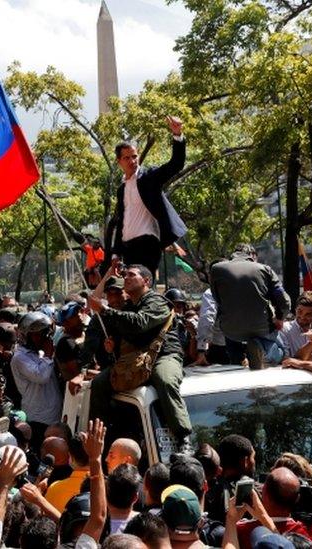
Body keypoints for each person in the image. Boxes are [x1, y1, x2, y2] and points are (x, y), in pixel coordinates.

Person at [87, 264, 192, 440]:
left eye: (131, 275)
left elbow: (140, 323)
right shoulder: (128, 306)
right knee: (99, 383)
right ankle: (98, 438)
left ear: (146, 281)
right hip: (136, 360)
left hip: (163, 356)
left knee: (164, 379)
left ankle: (183, 438)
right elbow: (94, 302)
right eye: (125, 275)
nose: (126, 277)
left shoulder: (157, 302)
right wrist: (112, 345)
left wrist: (105, 309)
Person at [106, 116, 188, 276]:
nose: (132, 161)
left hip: (148, 244)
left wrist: (177, 135)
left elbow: (175, 165)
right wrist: (116, 253)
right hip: (128, 247)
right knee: (132, 292)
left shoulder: (149, 177)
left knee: (141, 286)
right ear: (119, 161)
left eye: (134, 156)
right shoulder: (122, 189)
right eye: (126, 158)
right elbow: (122, 221)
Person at [210, 244, 291, 369]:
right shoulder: (264, 269)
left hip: (229, 329)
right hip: (261, 328)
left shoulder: (216, 269)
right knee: (282, 351)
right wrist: (280, 318)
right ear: (252, 255)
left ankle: (237, 360)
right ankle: (263, 350)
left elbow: (217, 299)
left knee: (232, 327)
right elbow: (284, 300)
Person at [10, 311, 62, 450]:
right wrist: (48, 356)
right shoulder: (20, 357)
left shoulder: (39, 353)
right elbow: (41, 376)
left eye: (42, 333)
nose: (41, 338)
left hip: (54, 416)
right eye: (36, 334)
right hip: (38, 418)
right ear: (25, 335)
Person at [278, 291, 312, 359]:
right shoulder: (284, 329)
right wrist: (311, 345)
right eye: (299, 311)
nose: (302, 317)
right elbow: (286, 361)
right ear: (295, 309)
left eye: (308, 314)